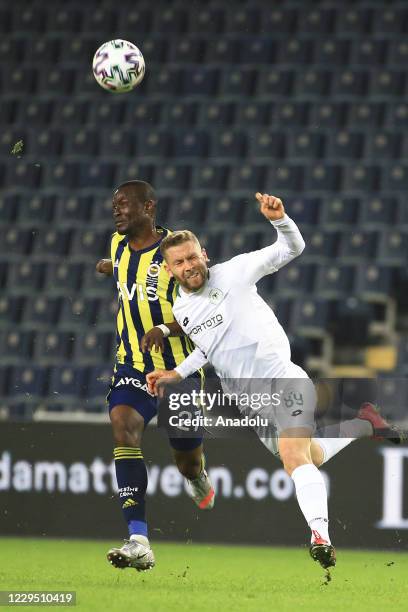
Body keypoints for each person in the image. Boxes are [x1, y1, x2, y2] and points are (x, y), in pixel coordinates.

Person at [145, 192, 401, 570]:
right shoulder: (182, 308)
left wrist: (280, 220)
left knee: (296, 459)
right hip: (249, 403)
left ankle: (320, 537)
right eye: (179, 262)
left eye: (193, 257)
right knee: (309, 457)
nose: (189, 266)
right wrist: (177, 372)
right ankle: (365, 423)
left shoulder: (236, 271)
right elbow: (210, 348)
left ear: (205, 254)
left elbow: (292, 248)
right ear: (169, 270)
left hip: (284, 382)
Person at [96, 180, 214, 573]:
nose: (117, 210)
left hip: (176, 371)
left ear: (149, 207)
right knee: (122, 425)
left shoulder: (175, 256)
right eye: (115, 204)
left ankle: (197, 475)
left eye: (125, 204)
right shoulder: (117, 243)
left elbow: (201, 310)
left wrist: (165, 329)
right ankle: (139, 540)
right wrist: (109, 268)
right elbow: (127, 268)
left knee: (187, 462)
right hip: (130, 364)